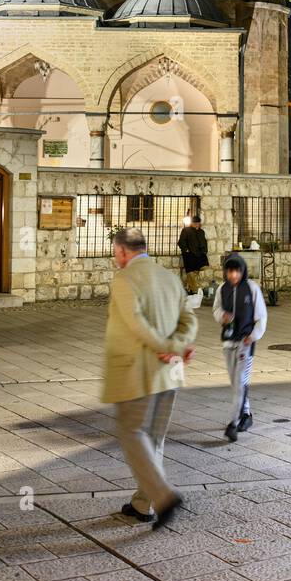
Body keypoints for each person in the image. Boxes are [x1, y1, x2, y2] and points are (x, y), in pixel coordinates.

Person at [103, 227, 197, 529]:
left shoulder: (124, 279)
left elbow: (137, 325)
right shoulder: (169, 277)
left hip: (137, 372)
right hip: (169, 372)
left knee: (132, 432)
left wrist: (168, 347)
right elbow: (190, 319)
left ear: (121, 251)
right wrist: (178, 347)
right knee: (154, 438)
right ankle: (143, 504)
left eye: (115, 253)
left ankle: (163, 496)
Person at [213, 255, 267, 442]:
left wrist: (253, 336)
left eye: (237, 271)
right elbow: (216, 310)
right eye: (230, 271)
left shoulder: (251, 288)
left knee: (239, 381)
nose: (233, 275)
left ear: (243, 271)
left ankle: (233, 423)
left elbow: (261, 316)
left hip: (245, 342)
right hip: (228, 342)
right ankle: (245, 413)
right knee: (235, 382)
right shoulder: (222, 289)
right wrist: (223, 316)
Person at [177, 215, 209, 296]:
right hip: (189, 254)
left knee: (198, 270)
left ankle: (191, 288)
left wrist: (204, 251)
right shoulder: (186, 230)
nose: (196, 224)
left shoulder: (201, 232)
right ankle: (194, 290)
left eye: (197, 223)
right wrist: (186, 250)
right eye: (195, 223)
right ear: (192, 223)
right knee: (190, 273)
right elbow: (181, 242)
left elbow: (204, 242)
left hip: (199, 254)